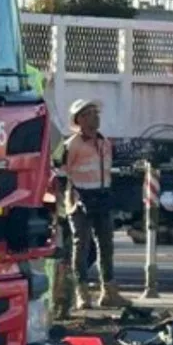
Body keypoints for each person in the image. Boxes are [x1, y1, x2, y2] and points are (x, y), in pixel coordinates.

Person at [51, 99, 129, 309]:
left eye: (96, 112)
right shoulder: (72, 145)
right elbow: (60, 174)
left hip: (101, 198)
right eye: (91, 113)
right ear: (81, 119)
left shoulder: (104, 143)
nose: (97, 117)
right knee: (81, 245)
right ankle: (82, 293)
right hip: (80, 200)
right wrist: (65, 201)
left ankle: (109, 292)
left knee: (106, 245)